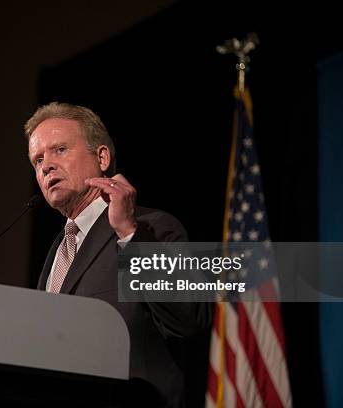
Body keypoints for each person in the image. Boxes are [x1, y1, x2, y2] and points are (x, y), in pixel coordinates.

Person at [25, 102, 211, 407]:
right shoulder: (57, 251)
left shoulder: (152, 227)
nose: (46, 166)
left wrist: (128, 233)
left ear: (102, 158)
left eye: (59, 150)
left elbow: (190, 318)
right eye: (37, 160)